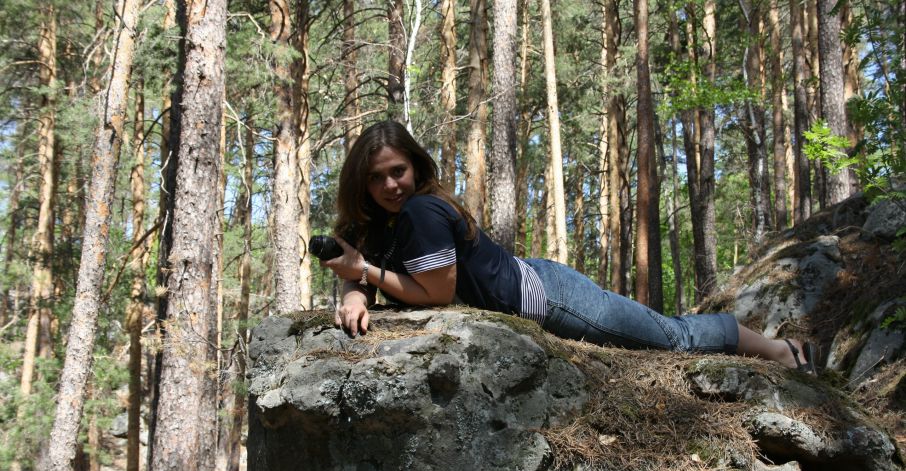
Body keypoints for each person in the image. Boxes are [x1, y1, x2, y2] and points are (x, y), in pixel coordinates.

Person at [321, 120, 816, 372]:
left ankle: (780, 350)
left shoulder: (421, 211)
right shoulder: (379, 222)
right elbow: (359, 263)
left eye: (398, 171)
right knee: (666, 336)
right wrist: (354, 294)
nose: (390, 185)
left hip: (548, 297)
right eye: (376, 177)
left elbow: (435, 293)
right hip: (534, 284)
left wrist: (361, 274)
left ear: (415, 166)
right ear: (361, 183)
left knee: (672, 338)